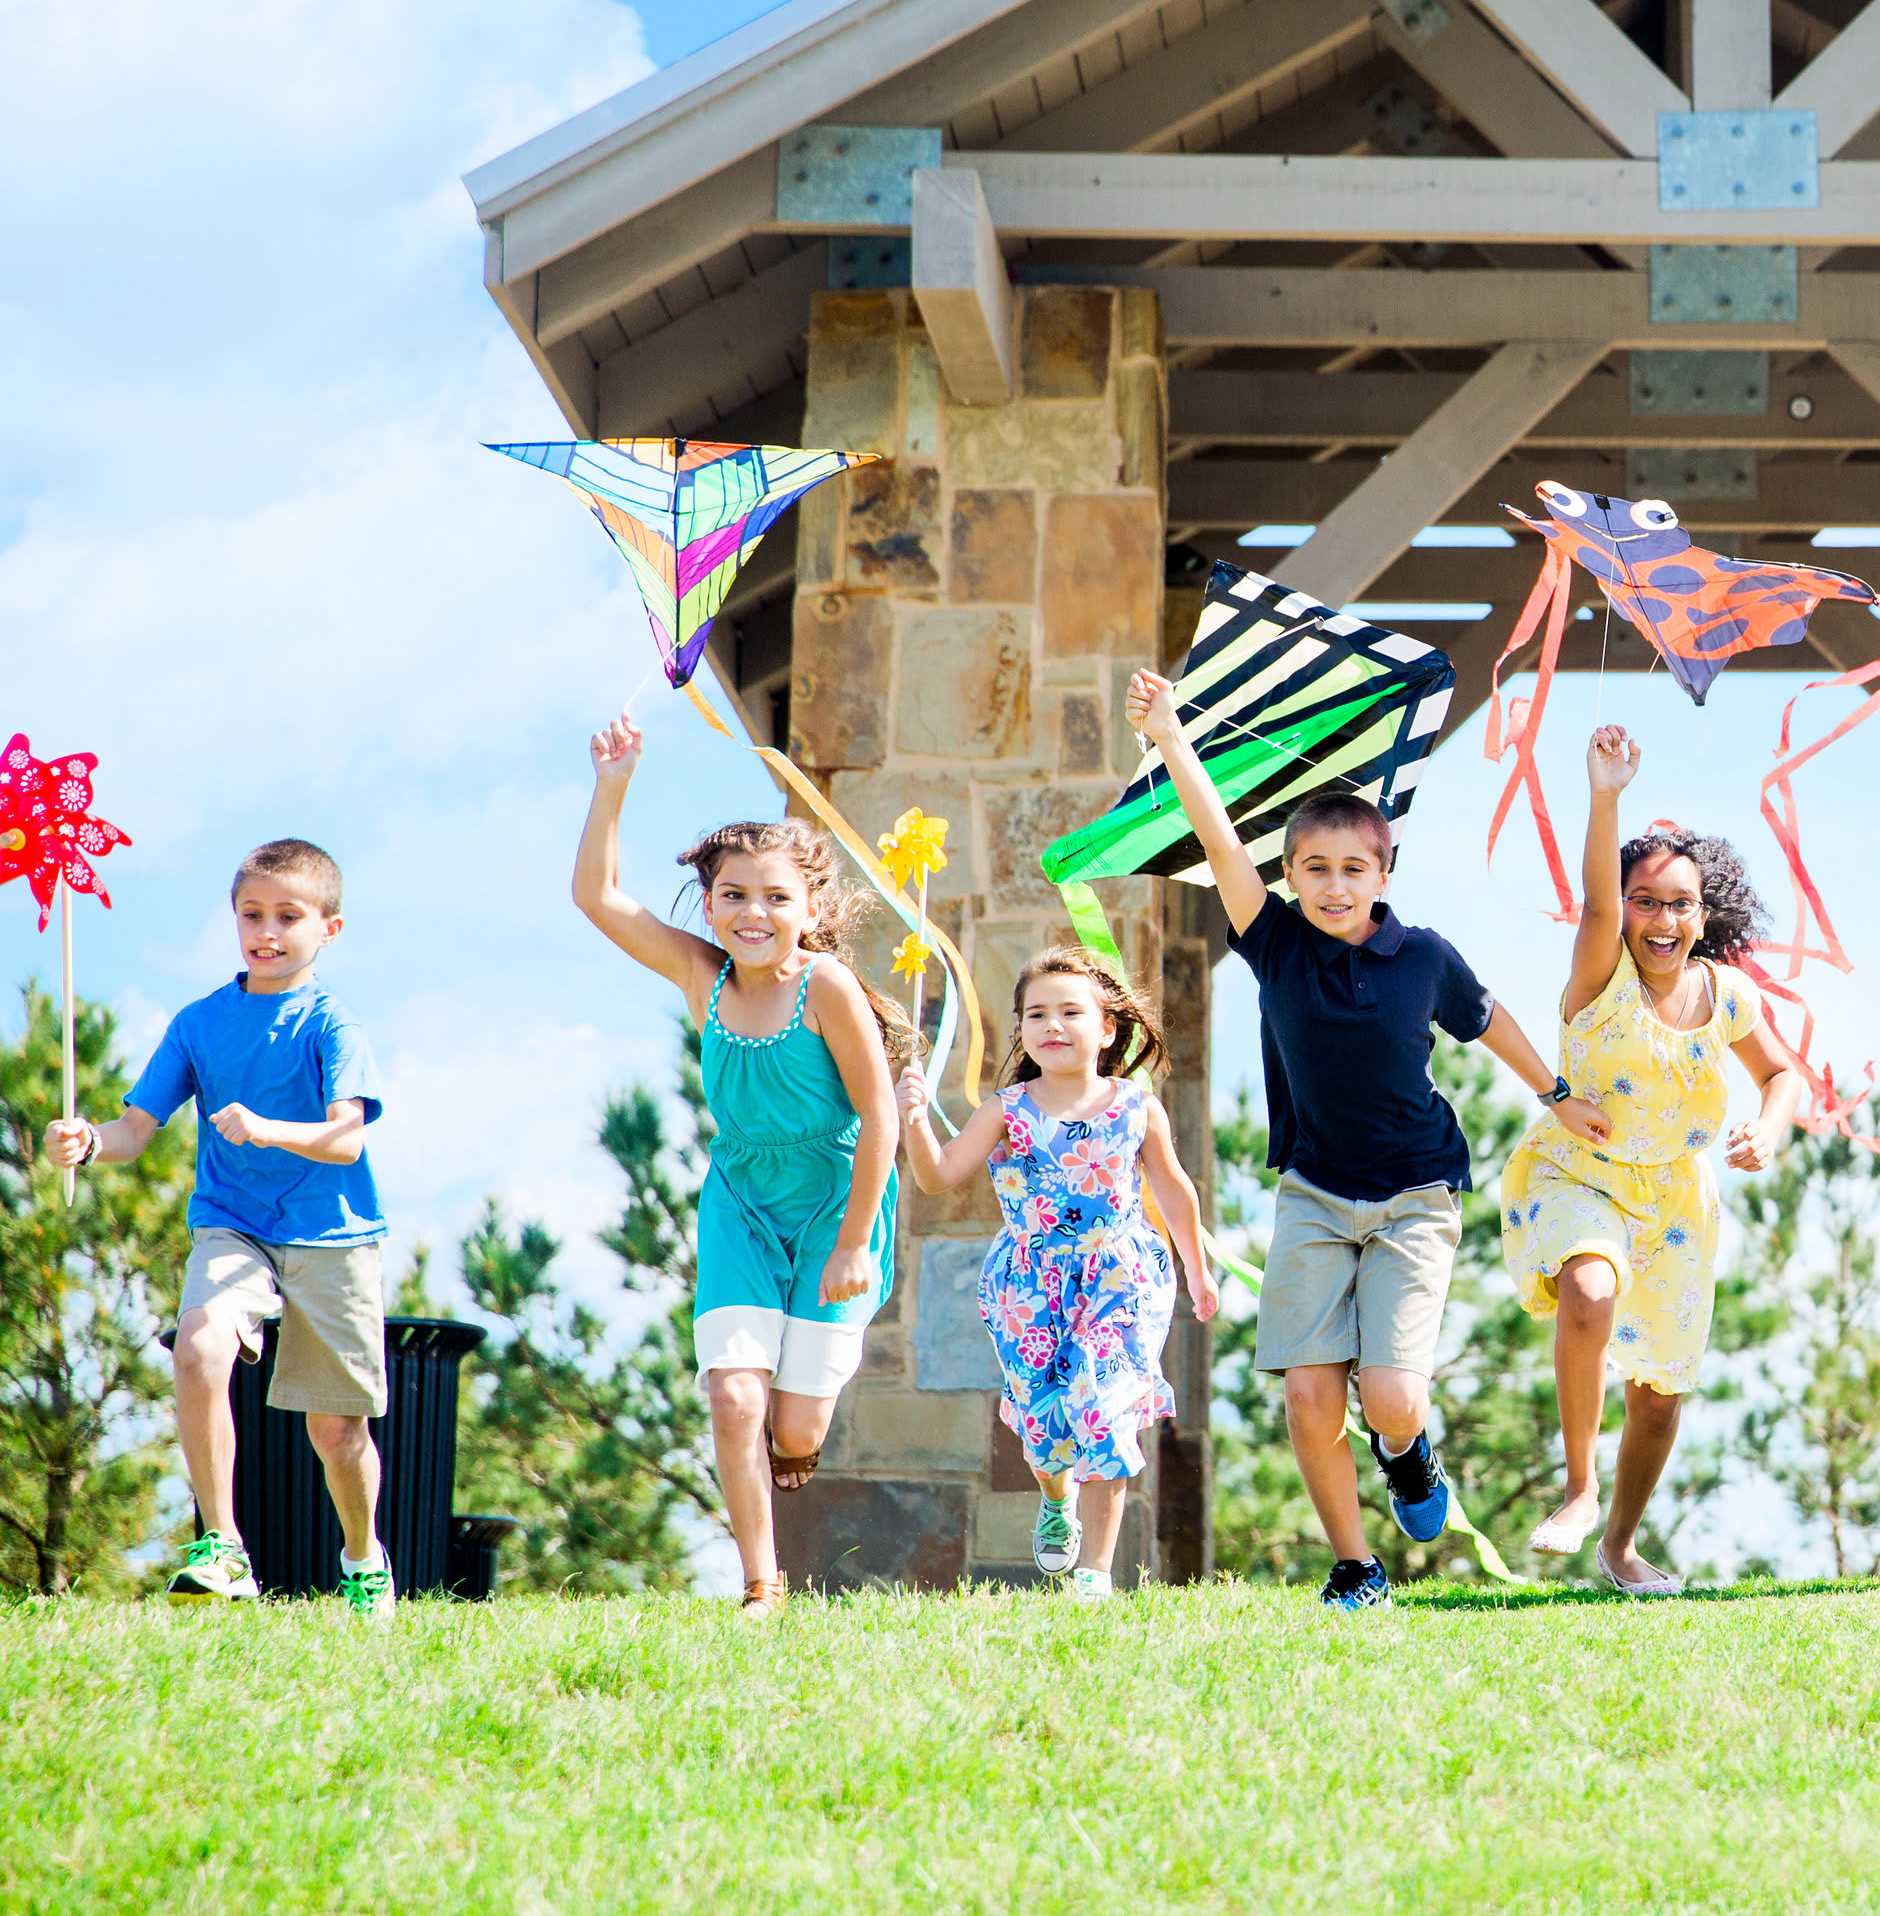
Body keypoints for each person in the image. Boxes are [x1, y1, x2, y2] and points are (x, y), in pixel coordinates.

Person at [1127, 669, 1591, 1613]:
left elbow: (1488, 1018)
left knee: (1385, 1395)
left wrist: (1556, 1093)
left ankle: (1408, 1458)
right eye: (1315, 870)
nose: (1334, 886)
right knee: (1306, 1395)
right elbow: (1219, 842)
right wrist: (1174, 738)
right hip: (1312, 1193)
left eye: (1353, 870)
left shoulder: (1421, 954)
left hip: (1417, 1192)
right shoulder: (1275, 942)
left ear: (1383, 876)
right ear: (1289, 878)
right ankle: (1354, 1565)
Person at [574, 718, 906, 1615]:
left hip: (837, 1202)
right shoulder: (702, 978)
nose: (752, 913)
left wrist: (852, 1245)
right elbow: (598, 897)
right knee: (731, 1394)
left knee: (794, 1424)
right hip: (741, 1204)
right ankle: (762, 1583)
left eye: (774, 897)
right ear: (710, 903)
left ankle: (794, 1442)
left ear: (811, 909)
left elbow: (880, 1119)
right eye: (732, 895)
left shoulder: (827, 987)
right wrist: (616, 783)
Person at [51, 840, 395, 1617]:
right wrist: (90, 1140)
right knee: (202, 1343)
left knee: (337, 1432)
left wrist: (269, 1128)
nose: (266, 932)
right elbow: (137, 1128)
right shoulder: (200, 1023)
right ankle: (224, 1546)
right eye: (251, 915)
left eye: (287, 916)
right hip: (232, 1225)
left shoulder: (334, 1025)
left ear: (329, 929)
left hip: (333, 1235)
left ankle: (364, 1557)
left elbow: (348, 1139)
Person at [1501, 727, 1806, 1596]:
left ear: (1705, 915)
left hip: (1677, 1200)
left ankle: (1621, 1544)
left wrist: (1772, 1126)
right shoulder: (1601, 975)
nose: (1660, 920)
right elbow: (1595, 907)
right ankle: (1578, 1487)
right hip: (1581, 1173)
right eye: (1645, 901)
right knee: (1590, 1292)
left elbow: (1784, 1076)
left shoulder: (1729, 996)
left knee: (1661, 1392)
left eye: (1679, 904)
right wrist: (1606, 797)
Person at [896, 945, 1209, 1603]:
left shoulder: (1136, 1106)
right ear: (1022, 1031)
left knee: (1103, 1409)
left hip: (1119, 1280)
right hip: (1029, 1287)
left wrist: (1199, 1273)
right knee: (1046, 1426)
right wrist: (914, 1117)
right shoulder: (1006, 1111)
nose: (1053, 1025)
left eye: (1071, 1011)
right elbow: (937, 1176)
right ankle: (1054, 1497)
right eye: (1036, 1014)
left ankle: (1094, 1572)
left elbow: (1175, 1192)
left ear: (1109, 1028)